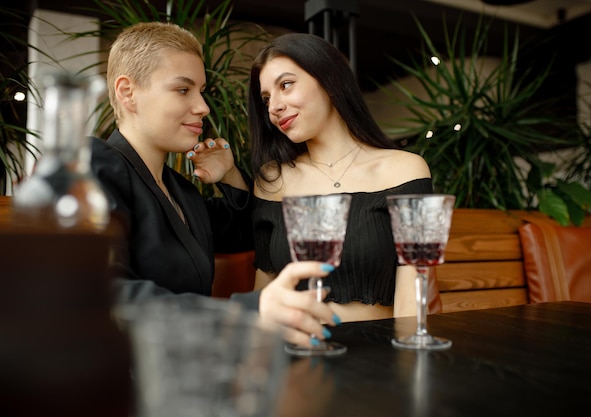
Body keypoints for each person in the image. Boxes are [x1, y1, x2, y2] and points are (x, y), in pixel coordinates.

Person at [90, 22, 339, 347]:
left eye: (201, 91)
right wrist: (248, 311)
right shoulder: (95, 164)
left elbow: (251, 229)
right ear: (128, 93)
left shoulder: (182, 192)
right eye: (183, 89)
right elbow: (102, 292)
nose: (203, 107)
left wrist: (230, 174)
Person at [248, 32, 442, 322]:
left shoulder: (406, 170)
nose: (274, 107)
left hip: (378, 356)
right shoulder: (272, 179)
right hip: (298, 353)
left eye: (286, 85)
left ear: (328, 80)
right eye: (266, 99)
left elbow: (412, 295)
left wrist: (406, 362)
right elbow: (264, 295)